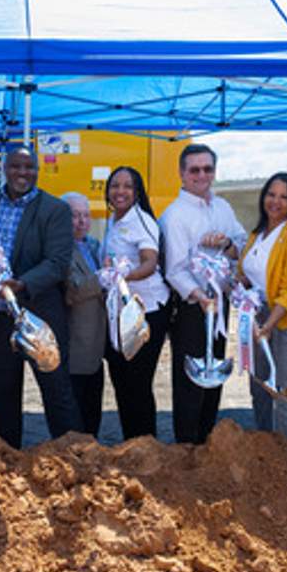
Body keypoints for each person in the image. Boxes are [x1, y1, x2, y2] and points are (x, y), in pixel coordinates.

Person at [0, 146, 83, 448]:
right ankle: (9, 462)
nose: (23, 173)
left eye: (29, 167)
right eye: (16, 166)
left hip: (40, 316)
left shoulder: (55, 209)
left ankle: (74, 458)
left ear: (37, 170)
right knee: (3, 396)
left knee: (57, 392)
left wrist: (21, 284)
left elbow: (58, 262)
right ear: (5, 168)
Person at [159, 144, 247, 445]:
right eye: (194, 169)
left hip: (219, 306)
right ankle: (186, 447)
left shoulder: (223, 207)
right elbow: (174, 269)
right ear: (182, 173)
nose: (201, 175)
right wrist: (200, 296)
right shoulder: (174, 216)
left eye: (207, 169)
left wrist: (226, 244)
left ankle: (207, 443)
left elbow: (242, 244)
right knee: (190, 383)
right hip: (192, 308)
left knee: (214, 378)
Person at [237, 172, 287, 442]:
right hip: (260, 317)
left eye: (284, 197)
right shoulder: (257, 233)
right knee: (259, 386)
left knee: (286, 392)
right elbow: (249, 273)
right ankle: (265, 447)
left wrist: (268, 326)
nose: (276, 201)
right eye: (271, 194)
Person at [101, 166, 171, 440]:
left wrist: (123, 275)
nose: (120, 191)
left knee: (137, 383)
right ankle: (132, 442)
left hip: (147, 312)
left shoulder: (142, 221)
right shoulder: (114, 220)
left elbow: (150, 263)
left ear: (137, 191)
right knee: (121, 381)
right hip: (120, 313)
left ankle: (146, 446)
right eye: (115, 186)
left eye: (127, 186)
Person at [61, 192, 107, 437]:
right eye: (74, 216)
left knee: (93, 414)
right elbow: (71, 291)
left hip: (96, 346)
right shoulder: (60, 250)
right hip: (76, 346)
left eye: (86, 215)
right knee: (76, 419)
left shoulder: (95, 246)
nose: (82, 221)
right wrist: (101, 278)